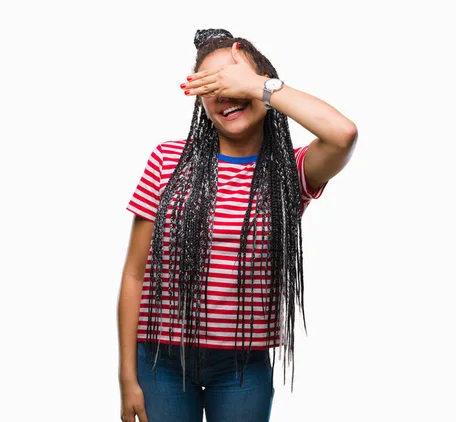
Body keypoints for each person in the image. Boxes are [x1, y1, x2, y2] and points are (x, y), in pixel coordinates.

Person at [117, 28, 357, 422]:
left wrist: (259, 84)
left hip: (243, 366)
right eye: (212, 86)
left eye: (235, 80)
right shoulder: (166, 161)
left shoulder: (289, 171)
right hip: (160, 361)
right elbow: (134, 274)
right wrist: (127, 375)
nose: (225, 94)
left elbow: (343, 133)